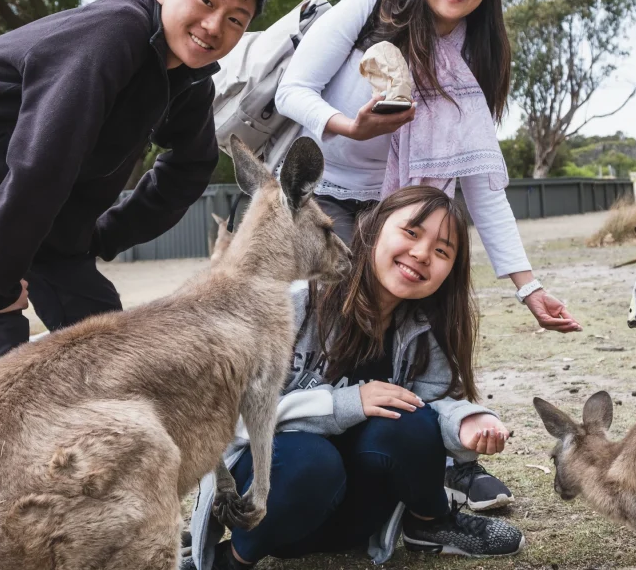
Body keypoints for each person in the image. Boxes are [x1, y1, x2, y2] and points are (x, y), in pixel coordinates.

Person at [275, 0, 580, 511]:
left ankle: (449, 461)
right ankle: (291, 451)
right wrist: (349, 125)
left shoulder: (475, 53)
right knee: (322, 326)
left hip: (405, 208)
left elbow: (481, 184)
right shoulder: (370, 6)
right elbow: (293, 91)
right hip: (326, 196)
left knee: (434, 318)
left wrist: (528, 286)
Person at [0, 0, 268, 378]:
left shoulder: (189, 80)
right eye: (207, 2)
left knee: (105, 336)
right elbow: (44, 160)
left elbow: (190, 169)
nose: (214, 26)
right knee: (2, 351)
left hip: (20, 202)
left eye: (235, 20)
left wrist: (102, 236)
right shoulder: (111, 35)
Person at [187, 186, 525, 570]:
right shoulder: (293, 302)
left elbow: (435, 403)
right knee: (312, 460)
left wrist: (467, 420)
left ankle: (429, 524)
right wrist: (346, 403)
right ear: (372, 227)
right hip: (277, 499)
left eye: (442, 250)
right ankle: (231, 560)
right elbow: (227, 420)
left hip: (356, 519)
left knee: (410, 419)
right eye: (411, 233)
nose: (422, 253)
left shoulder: (424, 328)